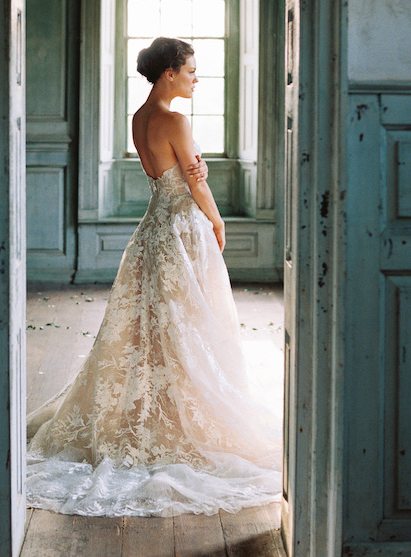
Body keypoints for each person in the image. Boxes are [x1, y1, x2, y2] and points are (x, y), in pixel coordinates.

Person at [26, 37, 282, 517]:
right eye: (190, 70)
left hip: (152, 230)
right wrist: (219, 220)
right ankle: (175, 419)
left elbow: (167, 172)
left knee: (151, 328)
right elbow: (194, 181)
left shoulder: (138, 118)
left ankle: (156, 414)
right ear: (168, 72)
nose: (195, 78)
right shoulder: (176, 120)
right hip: (182, 227)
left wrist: (193, 175)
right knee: (189, 325)